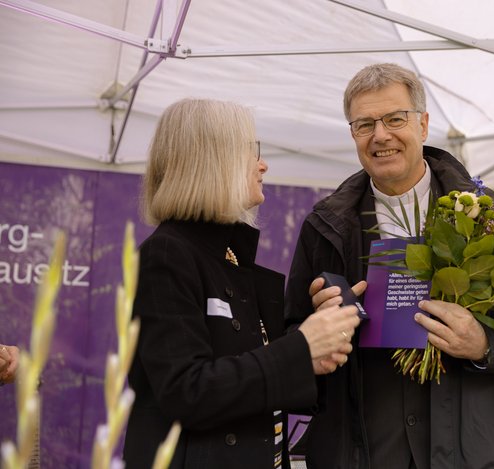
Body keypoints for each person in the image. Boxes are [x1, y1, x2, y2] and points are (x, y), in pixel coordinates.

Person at [284, 63, 494, 469]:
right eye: (365, 124)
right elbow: (291, 335)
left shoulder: (492, 216)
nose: (381, 135)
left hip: (475, 452)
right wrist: (319, 330)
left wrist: (484, 344)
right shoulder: (324, 226)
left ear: (424, 124)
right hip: (364, 453)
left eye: (395, 119)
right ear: (353, 135)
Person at [123, 98, 361, 469]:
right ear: (212, 161)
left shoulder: (228, 257)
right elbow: (187, 391)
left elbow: (255, 377)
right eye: (251, 152)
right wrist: (302, 347)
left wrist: (322, 335)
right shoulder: (167, 255)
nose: (263, 164)